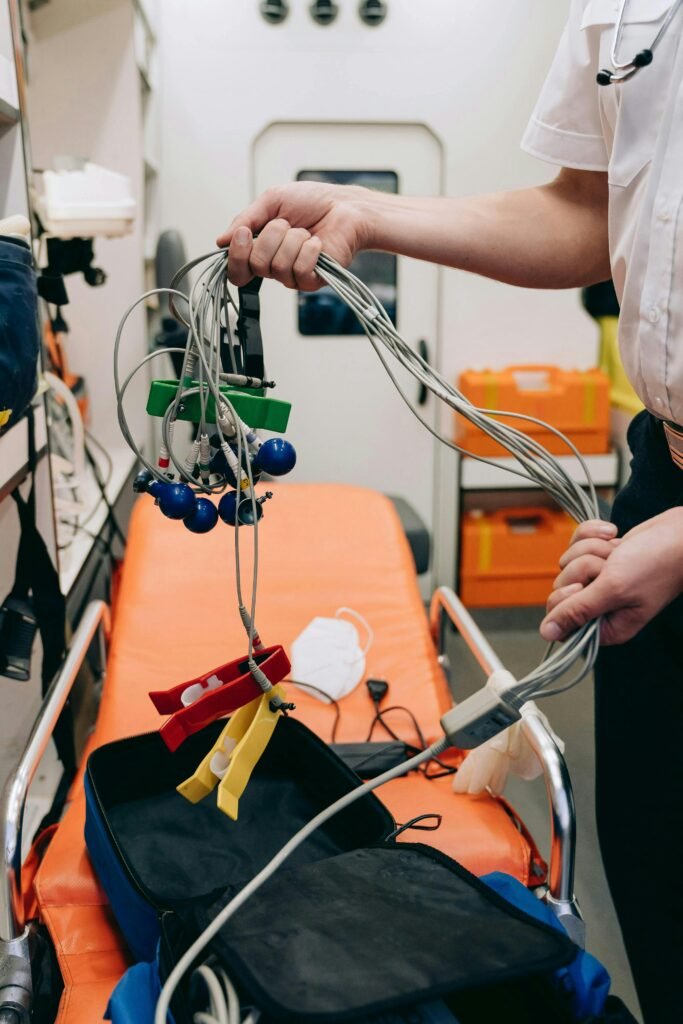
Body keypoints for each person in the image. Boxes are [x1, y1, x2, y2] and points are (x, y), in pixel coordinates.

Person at [217, 3, 682, 1019]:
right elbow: (585, 215)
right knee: (655, 869)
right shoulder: (618, 9)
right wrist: (366, 214)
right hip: (662, 478)